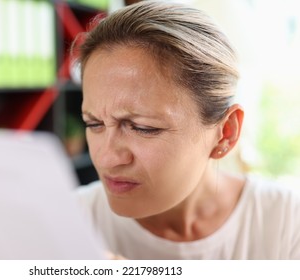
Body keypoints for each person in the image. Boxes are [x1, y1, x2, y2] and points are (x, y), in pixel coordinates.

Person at [75, 0, 300, 259]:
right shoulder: (65, 218)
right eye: (94, 124)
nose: (105, 159)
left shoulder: (287, 224)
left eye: (142, 128)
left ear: (225, 133)